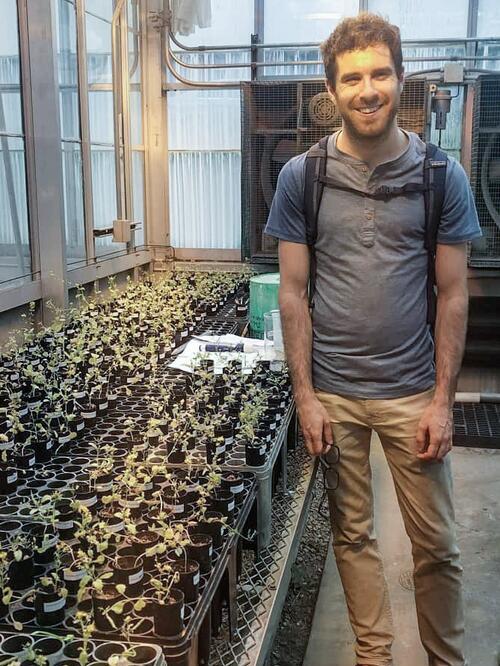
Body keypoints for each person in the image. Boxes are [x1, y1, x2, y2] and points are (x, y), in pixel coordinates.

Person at [264, 12, 482, 666]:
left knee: (437, 545)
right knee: (351, 537)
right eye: (352, 77)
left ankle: (446, 659)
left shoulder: (442, 176)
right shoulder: (304, 177)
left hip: (412, 393)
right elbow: (293, 294)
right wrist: (305, 396)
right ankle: (374, 656)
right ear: (333, 88)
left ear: (400, 77)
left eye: (379, 73)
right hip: (336, 395)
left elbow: (453, 294)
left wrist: (443, 401)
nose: (368, 89)